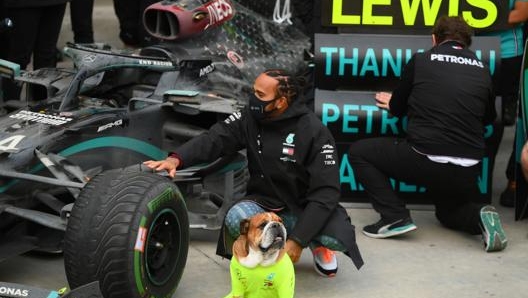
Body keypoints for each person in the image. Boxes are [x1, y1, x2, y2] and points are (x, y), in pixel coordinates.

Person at [144, 69, 364, 276]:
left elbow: (326, 192)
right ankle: (269, 250)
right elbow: (216, 138)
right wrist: (176, 159)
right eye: (253, 91)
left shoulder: (314, 131)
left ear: (281, 101)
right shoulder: (250, 116)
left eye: (260, 94)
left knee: (337, 238)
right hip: (265, 202)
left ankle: (317, 245)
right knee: (236, 219)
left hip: (304, 207)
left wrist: (298, 240)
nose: (253, 98)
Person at [347, 16, 508, 252]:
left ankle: (394, 216)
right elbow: (488, 118)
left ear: (434, 39)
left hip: (426, 157)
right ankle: (478, 217)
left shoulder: (421, 60)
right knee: (447, 214)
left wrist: (395, 102)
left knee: (359, 152)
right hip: (468, 168)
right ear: (468, 43)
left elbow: (398, 109)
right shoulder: (482, 69)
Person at [489, 0, 528, 207]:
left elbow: (521, 14)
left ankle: (514, 179)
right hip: (467, 47)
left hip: (505, 54)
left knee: (499, 118)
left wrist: (478, 20)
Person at [2, 0, 70, 100]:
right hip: (23, 4)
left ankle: (42, 104)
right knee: (19, 58)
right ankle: (10, 105)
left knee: (47, 57)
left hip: (55, 3)